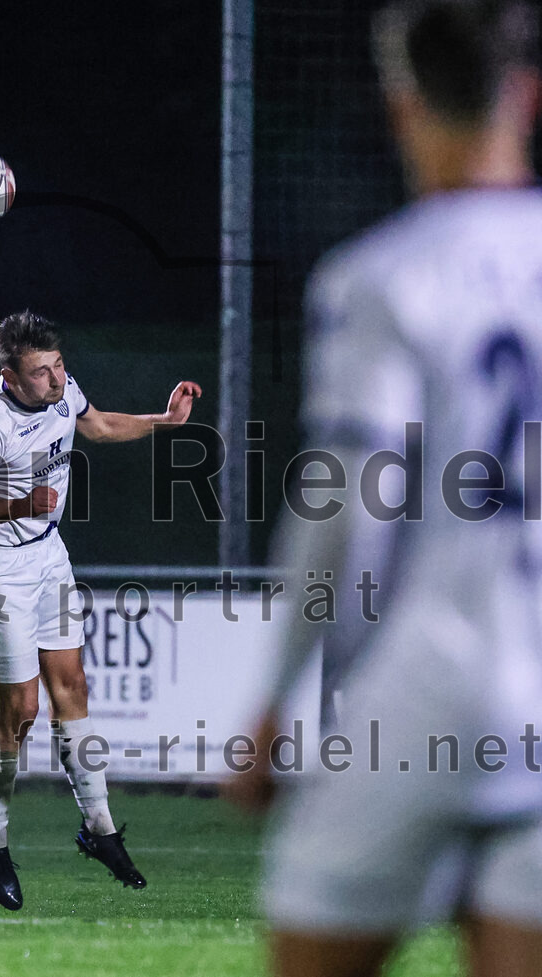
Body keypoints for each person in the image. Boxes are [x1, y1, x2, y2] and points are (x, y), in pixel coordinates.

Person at [226, 3, 542, 975]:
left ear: (402, 107)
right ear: (525, 95)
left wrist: (275, 691)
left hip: (431, 689)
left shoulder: (381, 278)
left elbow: (345, 507)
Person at [0, 310, 201, 910]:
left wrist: (165, 420)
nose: (56, 381)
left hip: (47, 554)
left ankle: (100, 829)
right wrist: (20, 503)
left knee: (73, 690)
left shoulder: (61, 391)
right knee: (22, 710)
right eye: (41, 373)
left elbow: (101, 425)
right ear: (10, 377)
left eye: (59, 367)